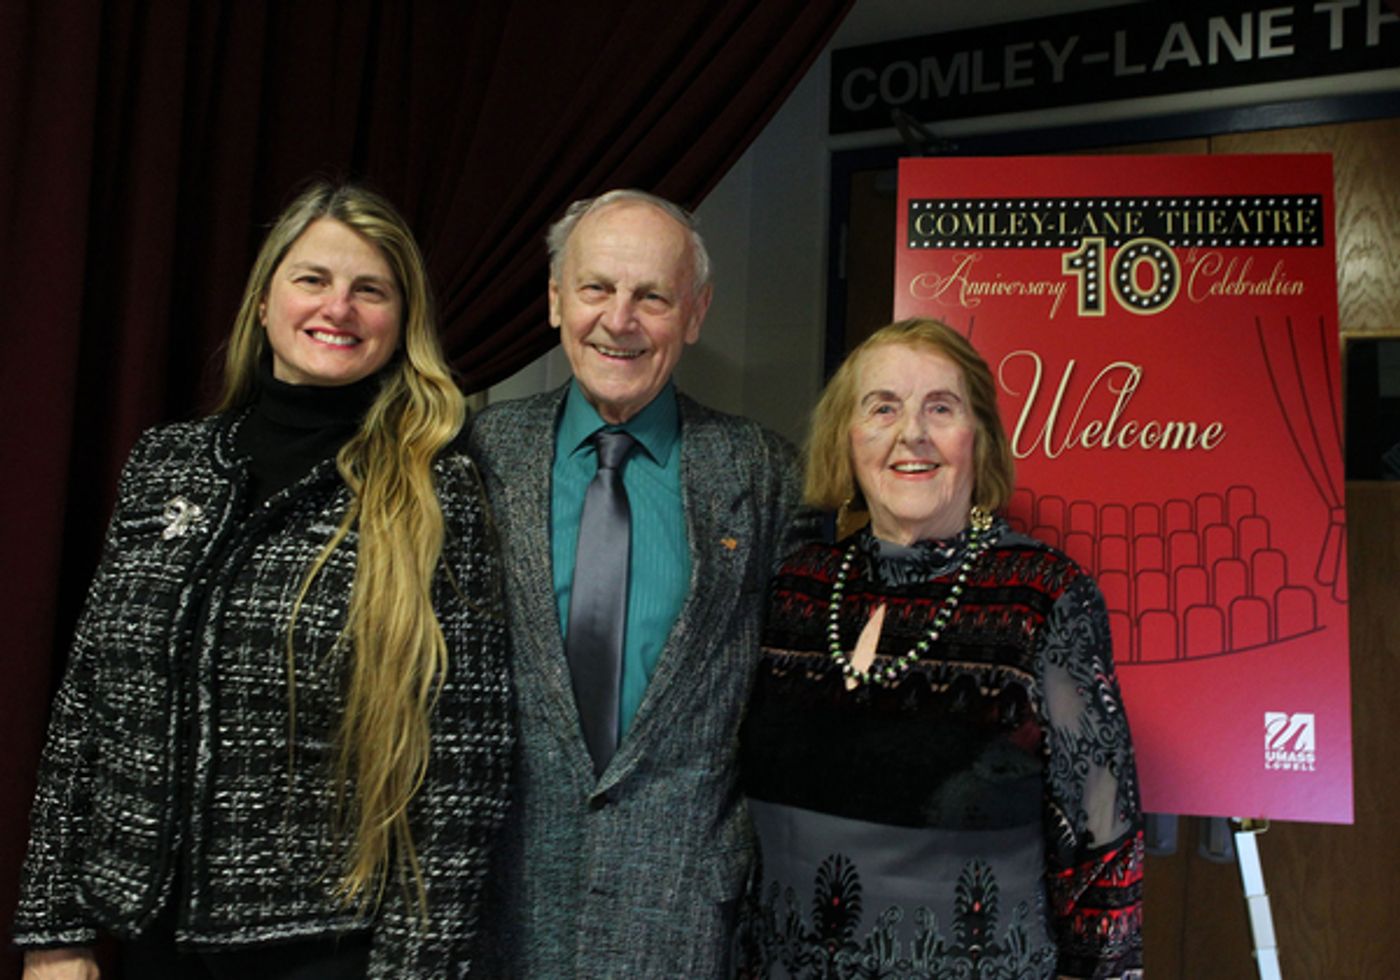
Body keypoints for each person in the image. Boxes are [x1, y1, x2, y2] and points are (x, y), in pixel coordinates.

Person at [13, 182, 512, 979]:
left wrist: (422, 968)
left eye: (369, 289)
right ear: (265, 299)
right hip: (147, 939)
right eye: (313, 279)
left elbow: (463, 767)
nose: (338, 308)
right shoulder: (165, 463)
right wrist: (53, 930)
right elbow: (87, 705)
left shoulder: (436, 488)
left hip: (327, 950)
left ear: (401, 319)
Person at [468, 189, 809, 976]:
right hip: (503, 911)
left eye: (651, 296)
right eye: (596, 288)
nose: (619, 320)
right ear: (555, 300)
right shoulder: (476, 457)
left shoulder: (764, 475)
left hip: (684, 919)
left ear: (695, 313)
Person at [737, 318, 1144, 979]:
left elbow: (1103, 844)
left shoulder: (1042, 595)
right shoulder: (794, 587)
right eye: (884, 408)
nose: (912, 434)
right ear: (849, 435)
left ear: (978, 439)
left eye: (941, 408)